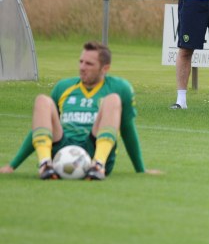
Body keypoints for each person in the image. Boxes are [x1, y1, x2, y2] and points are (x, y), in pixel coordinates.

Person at [0, 41, 160, 180]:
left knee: (113, 100)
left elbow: (127, 128)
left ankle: (98, 166)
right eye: (81, 62)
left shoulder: (120, 87)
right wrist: (13, 165)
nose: (82, 68)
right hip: (62, 146)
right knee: (42, 101)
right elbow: (41, 127)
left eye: (89, 64)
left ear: (105, 68)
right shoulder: (64, 87)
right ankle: (45, 165)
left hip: (94, 146)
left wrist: (141, 169)